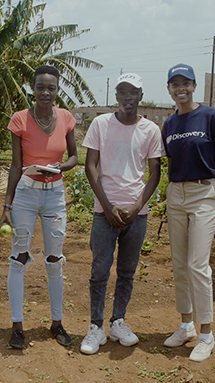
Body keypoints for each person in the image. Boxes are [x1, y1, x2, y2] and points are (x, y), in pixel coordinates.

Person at [79, 73, 165, 355]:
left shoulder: (150, 130)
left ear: (141, 95)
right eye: (122, 92)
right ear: (116, 96)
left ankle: (118, 321)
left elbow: (155, 173)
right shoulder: (101, 124)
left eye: (133, 92)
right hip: (105, 212)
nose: (127, 97)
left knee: (127, 272)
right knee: (99, 272)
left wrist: (137, 206)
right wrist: (106, 205)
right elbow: (90, 166)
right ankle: (95, 327)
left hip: (135, 215)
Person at [0, 65, 78, 349]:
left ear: (57, 91)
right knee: (18, 258)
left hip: (55, 194)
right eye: (41, 87)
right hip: (26, 195)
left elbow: (73, 158)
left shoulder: (66, 118)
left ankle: (57, 323)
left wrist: (59, 167)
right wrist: (7, 206)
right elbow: (16, 165)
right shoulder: (20, 120)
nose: (46, 92)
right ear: (33, 89)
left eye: (51, 88)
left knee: (55, 261)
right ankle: (17, 326)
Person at [161, 64, 215, 362]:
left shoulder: (212, 117)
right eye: (174, 84)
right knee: (179, 264)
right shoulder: (168, 124)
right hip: (176, 194)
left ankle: (206, 335)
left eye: (186, 83)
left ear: (194, 86)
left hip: (205, 193)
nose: (181, 88)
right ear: (169, 89)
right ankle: (186, 325)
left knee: (197, 264)